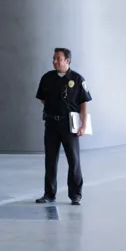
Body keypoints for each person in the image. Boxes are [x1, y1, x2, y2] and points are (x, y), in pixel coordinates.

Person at [35, 47, 92, 206]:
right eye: (53, 58)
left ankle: (75, 195)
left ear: (67, 60)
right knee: (50, 160)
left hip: (70, 125)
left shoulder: (77, 79)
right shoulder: (47, 78)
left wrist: (83, 125)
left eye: (58, 58)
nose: (54, 61)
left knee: (74, 161)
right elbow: (42, 98)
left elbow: (83, 103)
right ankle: (49, 194)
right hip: (52, 124)